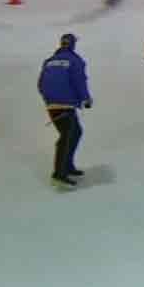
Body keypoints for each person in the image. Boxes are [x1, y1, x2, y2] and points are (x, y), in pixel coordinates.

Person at [38, 33, 92, 188]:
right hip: (65, 104)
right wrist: (85, 98)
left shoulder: (49, 61)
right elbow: (79, 81)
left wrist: (49, 98)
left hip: (52, 104)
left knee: (73, 133)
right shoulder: (75, 61)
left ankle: (67, 166)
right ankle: (59, 173)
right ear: (73, 45)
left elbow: (41, 83)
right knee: (68, 135)